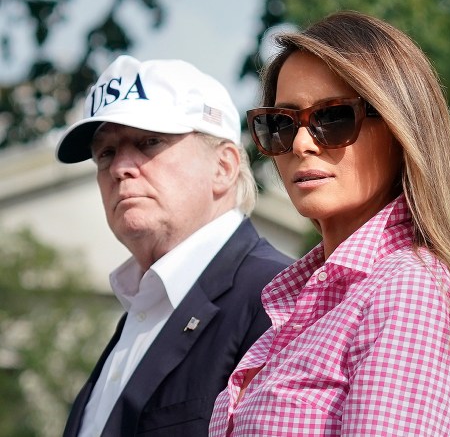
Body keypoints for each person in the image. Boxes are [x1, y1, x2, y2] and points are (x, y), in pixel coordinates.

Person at [209, 11, 450, 436]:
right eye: (281, 124)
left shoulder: (410, 289)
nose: (301, 144)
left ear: (400, 130)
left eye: (334, 117)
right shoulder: (323, 297)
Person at [56, 55, 294, 436]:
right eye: (106, 153)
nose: (120, 168)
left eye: (149, 142)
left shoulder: (279, 298)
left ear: (224, 167)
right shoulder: (143, 309)